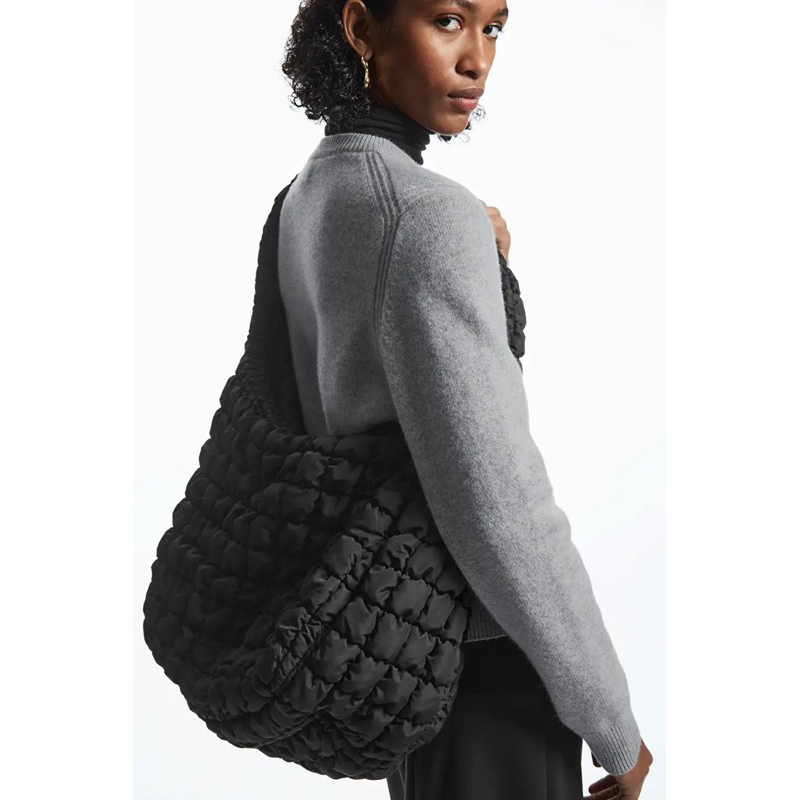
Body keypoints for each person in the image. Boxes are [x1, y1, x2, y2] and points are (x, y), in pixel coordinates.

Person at [278, 1, 653, 798]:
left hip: (402, 655)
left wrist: (484, 268)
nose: (477, 59)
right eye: (448, 20)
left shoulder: (311, 194)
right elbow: (497, 500)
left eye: (494, 27)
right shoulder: (425, 213)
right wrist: (613, 724)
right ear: (361, 28)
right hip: (489, 670)